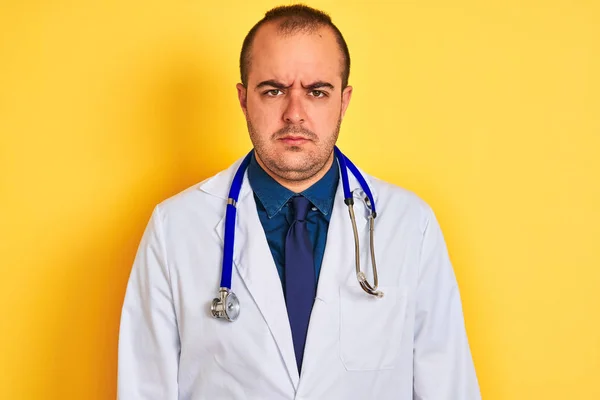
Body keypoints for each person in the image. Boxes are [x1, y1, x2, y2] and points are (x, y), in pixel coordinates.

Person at [117, 4, 481, 399]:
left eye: (317, 91)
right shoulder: (175, 228)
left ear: (343, 101)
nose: (294, 114)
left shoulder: (410, 226)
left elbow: (449, 388)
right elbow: (145, 387)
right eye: (273, 90)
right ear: (243, 99)